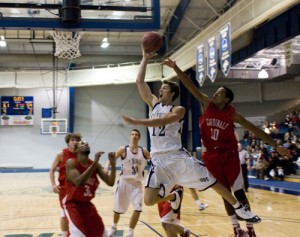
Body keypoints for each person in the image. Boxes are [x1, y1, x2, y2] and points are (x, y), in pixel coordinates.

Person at [122, 50, 261, 228]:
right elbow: (139, 82)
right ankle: (174, 196)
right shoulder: (154, 104)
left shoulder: (178, 110)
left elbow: (165, 120)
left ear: (172, 93)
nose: (160, 90)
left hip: (177, 158)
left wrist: (139, 121)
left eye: (164, 88)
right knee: (148, 200)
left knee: (212, 181)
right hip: (158, 160)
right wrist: (144, 58)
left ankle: (239, 208)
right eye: (161, 88)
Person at [162, 58, 290, 237]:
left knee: (239, 192)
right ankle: (236, 229)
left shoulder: (232, 115)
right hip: (211, 157)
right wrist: (175, 67)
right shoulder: (207, 105)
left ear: (226, 98)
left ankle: (250, 229)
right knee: (225, 193)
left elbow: (254, 129)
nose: (215, 94)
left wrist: (275, 144)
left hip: (229, 156)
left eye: (219, 92)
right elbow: (191, 86)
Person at [63, 141, 116, 237]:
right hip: (73, 204)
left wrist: (113, 165)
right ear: (76, 150)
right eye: (82, 143)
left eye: (87, 143)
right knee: (79, 235)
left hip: (87, 204)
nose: (86, 144)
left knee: (101, 234)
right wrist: (95, 163)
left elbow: (110, 182)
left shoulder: (95, 165)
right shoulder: (71, 162)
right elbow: (78, 181)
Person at [108, 129, 151, 237]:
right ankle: (114, 227)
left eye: (136, 134)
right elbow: (112, 159)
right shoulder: (123, 149)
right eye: (132, 134)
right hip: (124, 182)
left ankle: (130, 232)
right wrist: (106, 168)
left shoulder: (144, 151)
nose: (134, 136)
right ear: (130, 136)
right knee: (117, 210)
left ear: (139, 137)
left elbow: (154, 162)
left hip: (136, 184)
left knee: (138, 208)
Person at [49, 132, 82, 237]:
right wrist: (54, 184)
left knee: (79, 213)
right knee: (64, 214)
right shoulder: (61, 155)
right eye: (72, 140)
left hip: (77, 189)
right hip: (65, 189)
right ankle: (64, 235)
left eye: (77, 140)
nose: (75, 142)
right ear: (68, 142)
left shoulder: (81, 155)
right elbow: (52, 170)